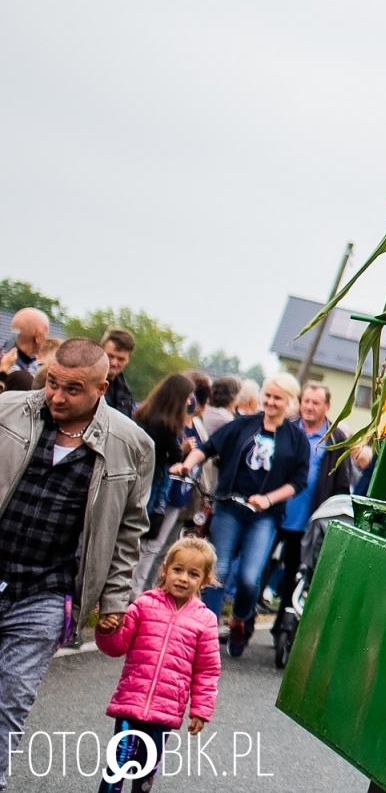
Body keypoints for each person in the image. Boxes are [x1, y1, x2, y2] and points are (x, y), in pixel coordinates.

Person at [0, 339, 154, 785]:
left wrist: (115, 600)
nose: (57, 396)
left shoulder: (132, 445)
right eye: (53, 383)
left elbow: (129, 530)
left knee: (11, 699)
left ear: (101, 388)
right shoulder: (8, 412)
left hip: (46, 591)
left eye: (72, 389)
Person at [170, 372, 309, 657]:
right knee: (218, 571)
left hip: (264, 516)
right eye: (267, 396)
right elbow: (208, 448)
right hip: (229, 507)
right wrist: (187, 464)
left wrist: (267, 499)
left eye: (277, 398)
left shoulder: (296, 439)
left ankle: (240, 619)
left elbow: (298, 482)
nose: (271, 402)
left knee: (249, 577)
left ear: (289, 402)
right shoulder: (243, 425)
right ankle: (205, 632)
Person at [95, 537, 220, 793]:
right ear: (165, 569)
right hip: (131, 701)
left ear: (205, 580)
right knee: (118, 763)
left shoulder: (205, 620)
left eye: (193, 574)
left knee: (145, 769)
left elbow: (207, 671)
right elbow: (117, 646)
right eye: (178, 570)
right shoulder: (144, 605)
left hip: (166, 710)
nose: (183, 578)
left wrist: (200, 710)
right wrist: (107, 631)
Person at [270, 382, 351, 615]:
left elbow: (341, 484)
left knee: (292, 574)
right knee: (260, 568)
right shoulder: (286, 427)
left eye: (315, 402)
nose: (309, 407)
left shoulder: (335, 438)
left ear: (327, 406)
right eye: (306, 401)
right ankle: (244, 621)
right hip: (274, 511)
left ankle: (282, 625)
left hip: (306, 520)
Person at [130, 373, 197, 592]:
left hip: (138, 478)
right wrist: (184, 450)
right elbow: (176, 457)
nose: (190, 401)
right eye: (187, 396)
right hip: (155, 483)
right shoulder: (166, 424)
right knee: (150, 541)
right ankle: (135, 590)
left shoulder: (143, 414)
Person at [0, 307, 50, 374]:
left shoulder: (4, 355)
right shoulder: (17, 371)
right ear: (38, 337)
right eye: (46, 335)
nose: (46, 339)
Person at [102, 328, 138, 418]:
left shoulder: (125, 392)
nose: (114, 363)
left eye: (121, 359)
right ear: (100, 351)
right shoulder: (87, 384)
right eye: (110, 356)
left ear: (128, 359)